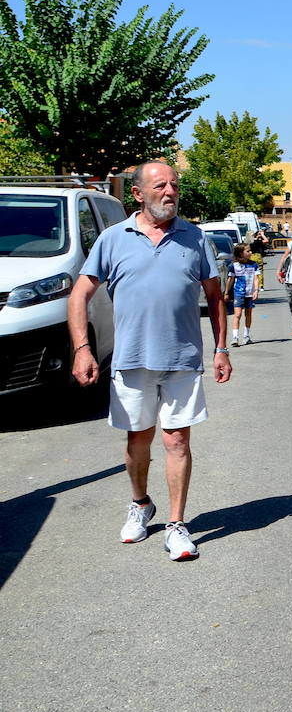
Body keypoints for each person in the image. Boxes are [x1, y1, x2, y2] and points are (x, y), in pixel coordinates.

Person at [68, 161, 231, 562]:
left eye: (174, 185)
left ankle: (177, 524)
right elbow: (79, 296)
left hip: (182, 359)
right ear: (138, 194)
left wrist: (221, 348)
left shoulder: (194, 238)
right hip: (132, 359)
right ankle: (141, 503)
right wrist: (82, 348)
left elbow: (214, 298)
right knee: (138, 440)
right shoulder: (113, 239)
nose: (170, 192)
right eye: (160, 186)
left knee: (177, 440)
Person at [229, 243, 260, 347]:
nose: (250, 252)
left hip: (249, 294)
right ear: (241, 254)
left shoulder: (254, 264)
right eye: (248, 251)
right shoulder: (234, 266)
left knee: (248, 314)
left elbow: (256, 278)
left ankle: (246, 336)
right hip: (238, 293)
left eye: (250, 250)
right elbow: (231, 279)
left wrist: (256, 290)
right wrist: (226, 292)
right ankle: (235, 338)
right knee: (237, 315)